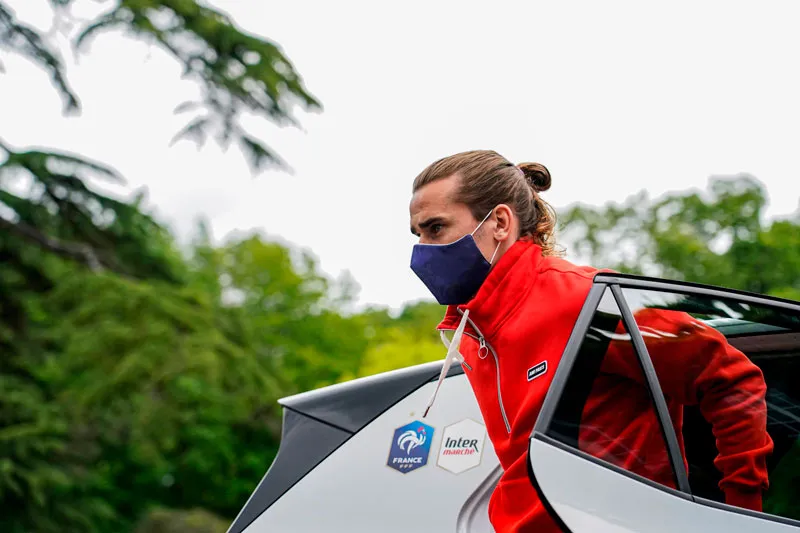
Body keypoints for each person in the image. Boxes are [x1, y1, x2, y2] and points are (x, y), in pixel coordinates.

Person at [408, 150, 773, 532]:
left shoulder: (589, 302)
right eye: (417, 234)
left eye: (435, 228)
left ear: (499, 222)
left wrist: (742, 513)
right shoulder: (472, 338)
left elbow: (733, 378)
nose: (421, 249)